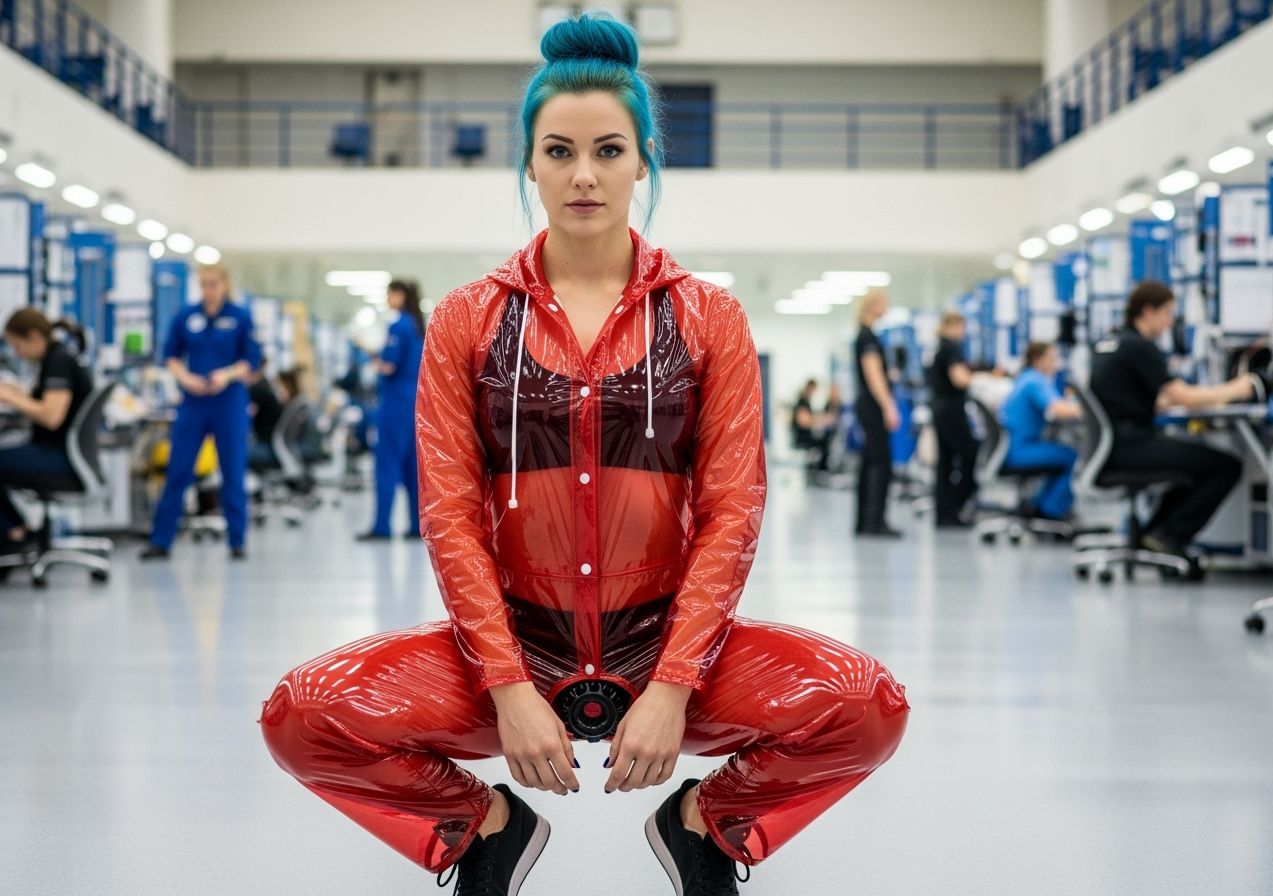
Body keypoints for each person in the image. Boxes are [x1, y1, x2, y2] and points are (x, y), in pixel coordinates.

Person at [260, 16, 908, 896]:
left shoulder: (707, 319)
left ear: (643, 159)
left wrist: (677, 684)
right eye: (559, 152)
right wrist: (507, 687)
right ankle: (484, 828)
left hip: (667, 645)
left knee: (867, 707)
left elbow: (733, 510)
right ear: (530, 163)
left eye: (608, 150)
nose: (584, 174)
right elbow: (449, 515)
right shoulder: (467, 319)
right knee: (303, 716)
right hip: (514, 645)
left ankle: (704, 828)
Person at [1090, 281, 1258, 561]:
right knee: (1225, 466)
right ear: (1148, 311)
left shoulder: (1112, 342)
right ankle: (1169, 535)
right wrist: (1239, 389)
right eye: (1167, 314)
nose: (1170, 323)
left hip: (1114, 446)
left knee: (1191, 468)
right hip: (1132, 446)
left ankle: (1154, 533)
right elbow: (1184, 396)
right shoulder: (1140, 347)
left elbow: (1133, 397)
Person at [140, 263, 261, 560]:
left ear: (224, 284)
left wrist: (227, 375)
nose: (208, 290)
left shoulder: (240, 317)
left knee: (232, 472)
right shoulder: (187, 316)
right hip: (193, 401)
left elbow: (253, 361)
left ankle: (237, 540)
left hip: (228, 401)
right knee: (178, 470)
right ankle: (161, 540)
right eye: (203, 284)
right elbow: (170, 355)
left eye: (213, 284)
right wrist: (186, 379)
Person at [0, 310, 92, 555]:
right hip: (61, 454)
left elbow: (52, 417)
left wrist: (10, 397)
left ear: (33, 337)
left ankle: (14, 534)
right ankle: (18, 531)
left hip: (61, 459)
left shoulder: (57, 361)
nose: (16, 354)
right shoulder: (55, 358)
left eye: (17, 346)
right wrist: (19, 393)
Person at [357, 279, 426, 541]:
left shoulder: (398, 325)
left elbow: (388, 365)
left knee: (386, 463)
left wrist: (370, 354)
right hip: (414, 403)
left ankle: (381, 526)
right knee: (411, 467)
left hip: (395, 403)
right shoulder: (417, 326)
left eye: (389, 294)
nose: (387, 299)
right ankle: (415, 525)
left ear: (398, 295)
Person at [1000, 341, 1082, 521]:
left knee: (1063, 455)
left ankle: (1043, 505)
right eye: (1051, 358)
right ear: (1037, 360)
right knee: (1073, 458)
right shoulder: (1035, 380)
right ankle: (1050, 512)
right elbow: (1058, 409)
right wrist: (1091, 409)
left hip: (1014, 447)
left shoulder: (1025, 377)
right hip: (1021, 450)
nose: (1055, 364)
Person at [853, 289, 900, 536]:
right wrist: (889, 406)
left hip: (867, 404)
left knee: (870, 460)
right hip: (872, 405)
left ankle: (866, 522)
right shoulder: (868, 337)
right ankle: (875, 522)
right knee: (880, 462)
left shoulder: (865, 336)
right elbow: (873, 375)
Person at [927, 312, 977, 528]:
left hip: (939, 408)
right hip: (951, 410)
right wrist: (980, 377)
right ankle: (956, 504)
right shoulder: (951, 348)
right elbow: (960, 379)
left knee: (945, 462)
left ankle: (944, 512)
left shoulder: (938, 348)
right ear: (953, 325)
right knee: (969, 453)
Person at [247, 363, 284, 468]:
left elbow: (246, 417)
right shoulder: (267, 387)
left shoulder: (257, 390)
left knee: (231, 453)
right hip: (274, 445)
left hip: (268, 447)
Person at [789, 378, 822, 481]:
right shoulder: (802, 401)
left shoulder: (805, 401)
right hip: (802, 437)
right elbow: (803, 421)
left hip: (806, 435)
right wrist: (818, 420)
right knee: (823, 443)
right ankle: (818, 473)